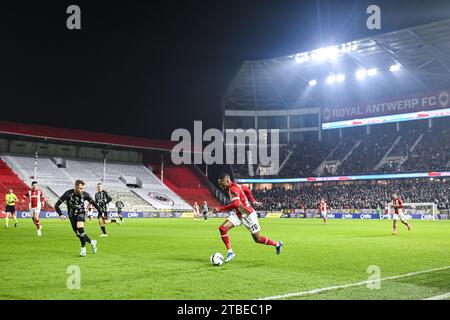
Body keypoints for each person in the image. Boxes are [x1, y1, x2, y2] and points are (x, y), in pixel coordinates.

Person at [212, 173, 283, 263]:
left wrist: (220, 209)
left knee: (258, 239)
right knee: (222, 228)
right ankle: (230, 252)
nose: (220, 185)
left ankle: (277, 244)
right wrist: (253, 200)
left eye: (221, 183)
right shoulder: (235, 186)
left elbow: (236, 204)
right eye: (219, 184)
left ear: (227, 181)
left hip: (248, 215)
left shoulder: (233, 189)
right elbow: (246, 189)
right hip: (239, 214)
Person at [54, 180, 99, 256]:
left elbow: (95, 204)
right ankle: (92, 242)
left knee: (80, 227)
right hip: (71, 215)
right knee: (79, 234)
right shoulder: (68, 194)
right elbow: (56, 205)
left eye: (83, 188)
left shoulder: (85, 195)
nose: (82, 190)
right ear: (75, 187)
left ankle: (83, 249)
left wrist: (100, 212)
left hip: (81, 212)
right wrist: (60, 214)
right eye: (80, 188)